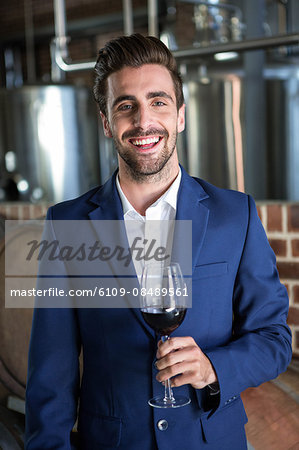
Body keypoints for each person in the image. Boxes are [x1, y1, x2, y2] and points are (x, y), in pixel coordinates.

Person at [25, 34, 292, 450]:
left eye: (159, 101)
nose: (143, 121)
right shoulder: (68, 224)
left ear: (181, 115)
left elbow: (274, 338)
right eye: (125, 105)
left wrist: (212, 368)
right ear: (106, 122)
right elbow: (50, 375)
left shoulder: (234, 214)